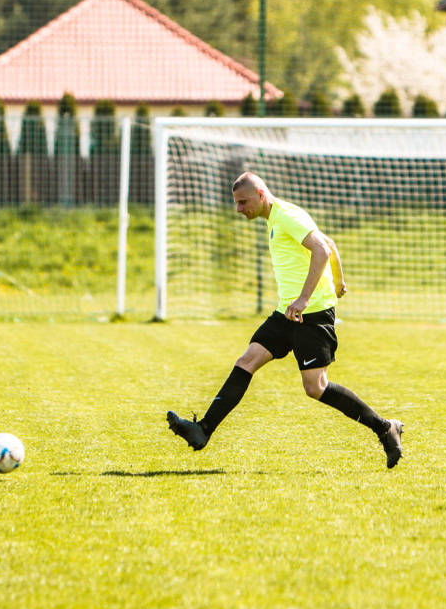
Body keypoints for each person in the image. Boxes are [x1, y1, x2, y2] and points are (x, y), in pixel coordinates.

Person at [165, 172, 404, 468]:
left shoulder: (287, 216)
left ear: (261, 194)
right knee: (247, 360)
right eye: (236, 203)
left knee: (315, 387)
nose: (239, 209)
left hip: (311, 314)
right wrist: (339, 280)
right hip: (286, 314)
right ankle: (203, 430)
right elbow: (328, 242)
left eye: (243, 202)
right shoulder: (276, 219)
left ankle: (385, 428)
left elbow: (321, 248)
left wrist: (304, 298)